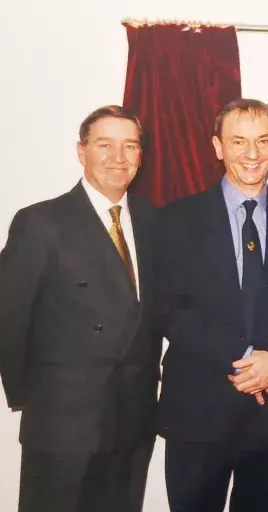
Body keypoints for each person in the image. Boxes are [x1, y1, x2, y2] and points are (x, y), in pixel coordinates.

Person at [155, 98, 268, 512]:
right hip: (198, 408)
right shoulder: (178, 219)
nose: (252, 153)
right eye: (238, 141)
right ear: (218, 147)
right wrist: (247, 361)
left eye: (262, 141)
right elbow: (169, 308)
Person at [0, 105, 160, 512]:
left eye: (130, 146)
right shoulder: (41, 221)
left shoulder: (154, 222)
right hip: (62, 421)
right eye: (105, 145)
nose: (118, 158)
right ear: (81, 150)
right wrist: (32, 397)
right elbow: (9, 316)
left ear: (141, 155)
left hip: (133, 417)